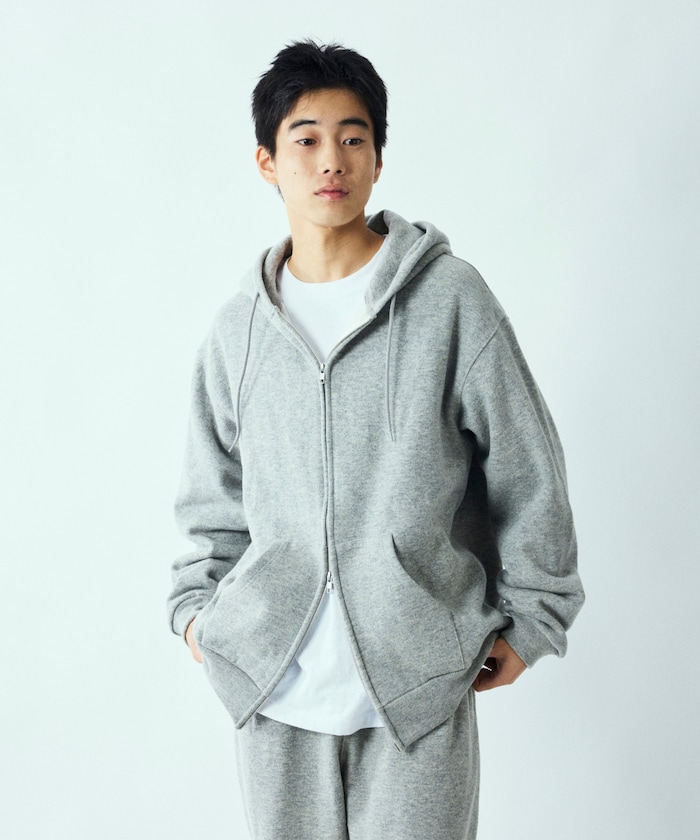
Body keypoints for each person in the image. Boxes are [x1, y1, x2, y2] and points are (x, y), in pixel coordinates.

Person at [167, 40, 584, 840]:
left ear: (379, 158)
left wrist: (534, 617)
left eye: (353, 138)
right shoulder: (238, 331)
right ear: (267, 161)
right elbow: (210, 500)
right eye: (307, 139)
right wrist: (197, 613)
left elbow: (528, 468)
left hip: (419, 690)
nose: (332, 159)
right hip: (274, 694)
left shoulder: (449, 300)